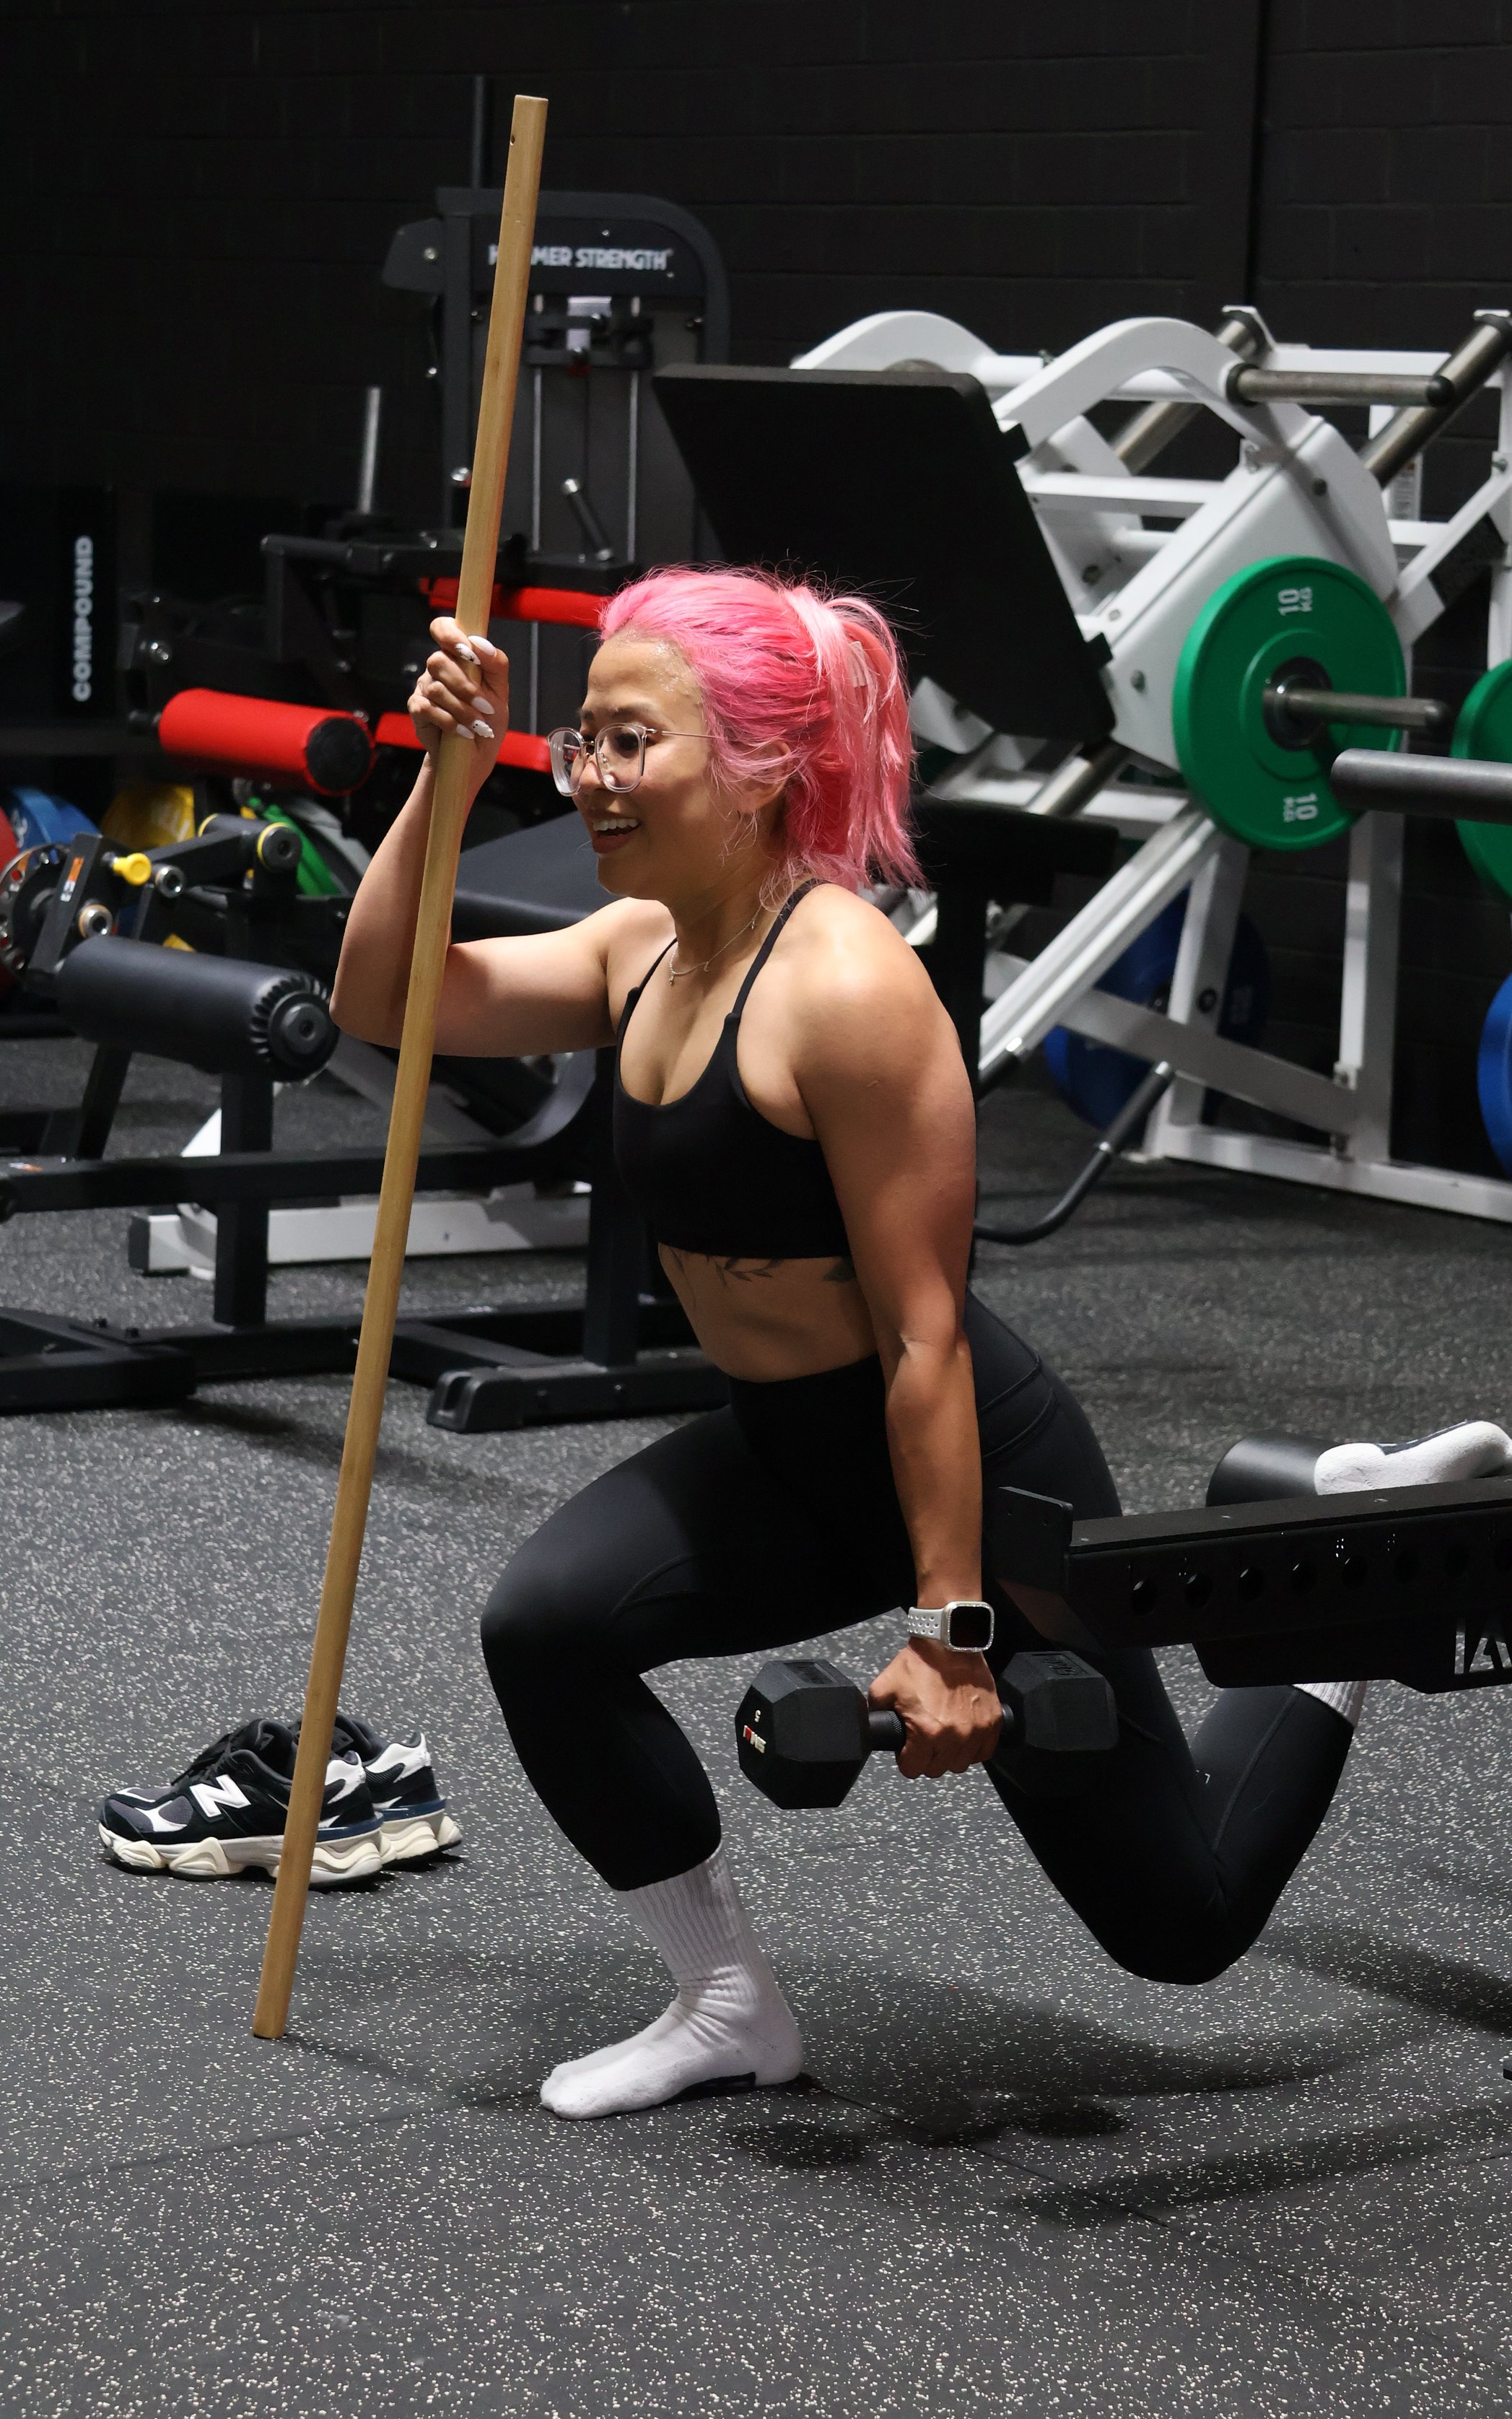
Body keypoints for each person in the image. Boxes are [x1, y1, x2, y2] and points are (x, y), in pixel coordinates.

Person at [331, 568, 1368, 2120]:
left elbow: (923, 1338)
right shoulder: (637, 950)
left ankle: (1333, 1574)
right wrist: (447, 774)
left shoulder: (846, 990)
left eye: (630, 741)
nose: (590, 774)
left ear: (755, 769)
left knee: (1182, 1924)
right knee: (544, 1623)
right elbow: (382, 995)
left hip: (967, 1466)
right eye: (580, 738)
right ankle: (725, 2006)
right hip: (789, 1453)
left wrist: (955, 1633)